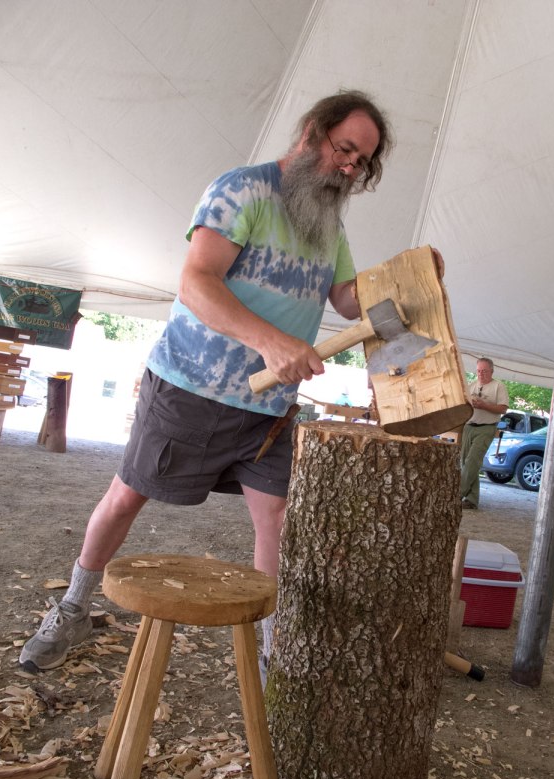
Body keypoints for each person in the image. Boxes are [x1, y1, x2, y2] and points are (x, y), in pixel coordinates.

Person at [20, 89, 400, 673]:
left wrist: (403, 278)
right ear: (311, 133)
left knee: (275, 517)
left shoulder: (329, 222)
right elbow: (197, 282)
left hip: (269, 410)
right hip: (189, 387)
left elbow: (348, 301)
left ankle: (274, 651)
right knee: (127, 495)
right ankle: (73, 606)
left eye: (361, 163)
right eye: (345, 151)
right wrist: (270, 341)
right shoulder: (241, 189)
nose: (349, 169)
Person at [460, 357, 509, 509]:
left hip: (486, 427)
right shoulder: (471, 385)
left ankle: (457, 494)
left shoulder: (498, 386)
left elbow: (503, 408)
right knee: (465, 462)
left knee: (472, 462)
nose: (481, 374)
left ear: (492, 371)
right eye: (479, 371)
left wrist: (484, 405)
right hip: (469, 425)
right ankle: (472, 499)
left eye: (485, 371)